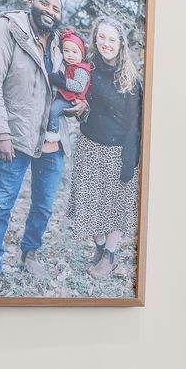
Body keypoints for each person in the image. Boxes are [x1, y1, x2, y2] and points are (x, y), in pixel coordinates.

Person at [0, 0, 81, 295]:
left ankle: (29, 253)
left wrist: (79, 105)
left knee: (44, 205)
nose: (50, 10)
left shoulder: (60, 45)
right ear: (30, 2)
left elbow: (66, 87)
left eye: (56, 8)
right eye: (44, 3)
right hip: (16, 135)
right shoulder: (6, 30)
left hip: (51, 141)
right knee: (1, 204)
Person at [68, 16, 141, 281]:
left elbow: (134, 123)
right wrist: (78, 110)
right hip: (89, 146)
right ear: (95, 38)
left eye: (111, 39)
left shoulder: (130, 79)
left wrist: (129, 160)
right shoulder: (86, 69)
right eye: (101, 37)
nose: (105, 44)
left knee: (115, 207)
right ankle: (100, 247)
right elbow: (80, 103)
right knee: (89, 205)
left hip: (117, 151)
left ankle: (109, 255)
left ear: (121, 43)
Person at [45, 27, 92, 153]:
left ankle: (52, 139)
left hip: (72, 99)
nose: (70, 55)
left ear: (82, 54)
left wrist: (62, 82)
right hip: (65, 95)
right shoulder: (69, 65)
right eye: (66, 51)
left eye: (74, 52)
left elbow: (79, 86)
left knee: (53, 110)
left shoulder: (81, 69)